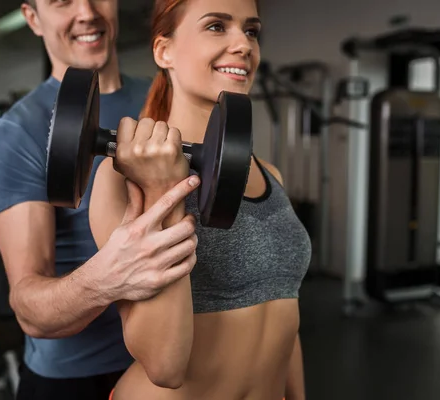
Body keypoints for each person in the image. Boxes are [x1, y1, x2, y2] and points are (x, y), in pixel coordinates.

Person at [88, 0, 311, 398]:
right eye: (216, 27)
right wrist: (164, 191)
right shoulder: (120, 179)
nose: (243, 44)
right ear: (164, 51)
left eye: (251, 31)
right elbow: (164, 364)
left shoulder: (269, 174)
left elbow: (285, 320)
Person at [0, 1, 199, 399]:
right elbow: (29, 309)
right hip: (76, 381)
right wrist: (108, 279)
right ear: (32, 18)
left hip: (185, 367)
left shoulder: (168, 96)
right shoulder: (17, 133)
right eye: (62, 0)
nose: (87, 11)